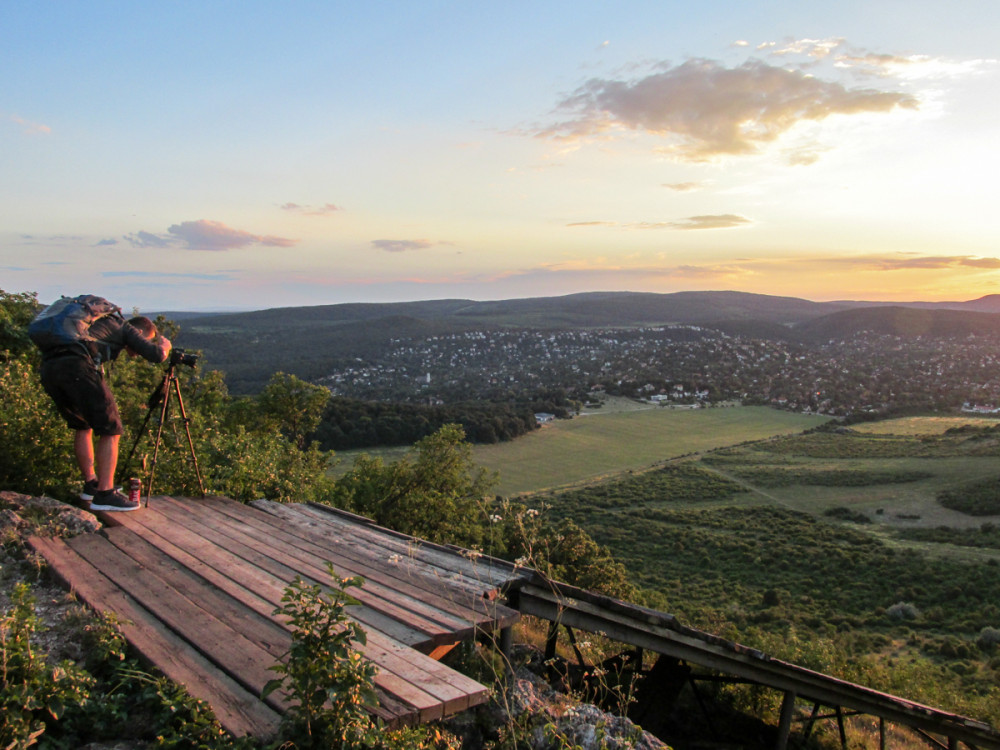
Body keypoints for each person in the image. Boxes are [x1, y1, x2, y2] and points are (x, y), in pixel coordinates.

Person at [39, 314, 171, 511]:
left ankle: (91, 485)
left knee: (82, 425)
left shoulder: (93, 326)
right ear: (140, 332)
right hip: (78, 368)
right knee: (111, 428)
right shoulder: (125, 327)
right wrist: (164, 346)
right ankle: (105, 494)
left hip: (50, 369)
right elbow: (156, 355)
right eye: (146, 339)